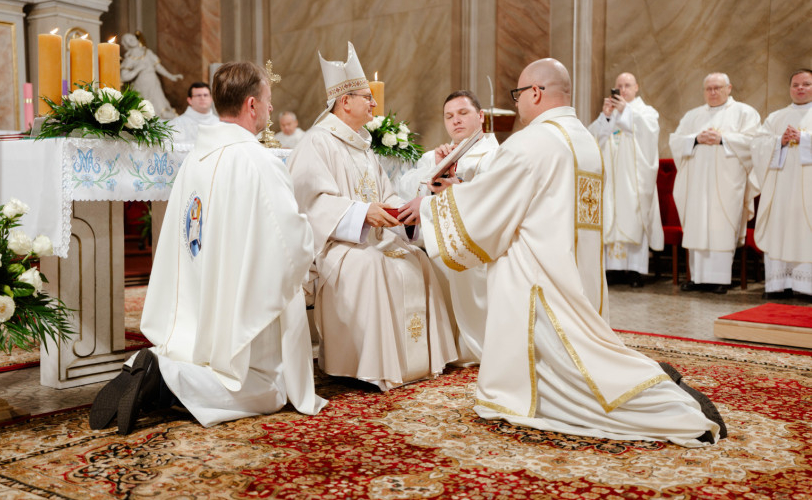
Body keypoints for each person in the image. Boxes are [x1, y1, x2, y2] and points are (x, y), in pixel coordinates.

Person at [419, 58, 724, 446]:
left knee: (566, 377)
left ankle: (663, 402)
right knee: (588, 351)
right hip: (579, 278)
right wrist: (463, 193)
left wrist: (431, 206)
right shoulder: (583, 139)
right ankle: (654, 386)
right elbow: (534, 203)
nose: (517, 103)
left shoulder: (532, 141)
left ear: (535, 93)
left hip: (539, 281)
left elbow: (489, 214)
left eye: (518, 94)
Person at [89, 61, 326, 434]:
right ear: (251, 104)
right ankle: (165, 379)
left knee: (209, 359)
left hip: (198, 302)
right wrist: (312, 257)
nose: (271, 108)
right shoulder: (258, 161)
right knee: (270, 390)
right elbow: (289, 241)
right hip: (241, 304)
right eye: (267, 99)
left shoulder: (195, 159)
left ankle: (149, 365)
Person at [287, 41, 457, 391]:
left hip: (372, 239)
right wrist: (362, 214)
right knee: (373, 265)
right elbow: (309, 203)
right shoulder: (317, 142)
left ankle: (413, 363)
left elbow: (386, 194)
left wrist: (405, 214)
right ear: (345, 101)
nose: (375, 104)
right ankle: (367, 365)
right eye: (367, 97)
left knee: (418, 260)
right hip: (338, 245)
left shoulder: (362, 146)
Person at [397, 90, 498, 364]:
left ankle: (472, 347)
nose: (456, 121)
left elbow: (494, 196)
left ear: (480, 116)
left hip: (477, 244)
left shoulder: (494, 155)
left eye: (463, 113)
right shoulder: (435, 156)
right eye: (449, 116)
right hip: (437, 241)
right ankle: (442, 347)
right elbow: (406, 188)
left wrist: (458, 186)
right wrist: (437, 167)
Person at [669, 73, 760, 294]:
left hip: (728, 183)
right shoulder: (693, 115)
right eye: (708, 88)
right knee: (698, 225)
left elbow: (755, 143)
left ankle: (721, 279)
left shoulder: (745, 113)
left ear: (729, 88)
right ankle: (697, 278)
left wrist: (723, 139)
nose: (713, 92)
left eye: (717, 88)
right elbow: (675, 140)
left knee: (721, 226)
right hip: (697, 184)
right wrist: (695, 139)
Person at [588, 73, 664, 288]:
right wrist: (606, 117)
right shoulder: (610, 112)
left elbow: (649, 135)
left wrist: (625, 112)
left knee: (633, 215)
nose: (622, 90)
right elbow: (592, 138)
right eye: (619, 86)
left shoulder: (646, 112)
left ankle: (635, 270)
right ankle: (613, 270)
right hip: (611, 180)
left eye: (627, 85)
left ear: (636, 87)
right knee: (610, 215)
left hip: (633, 180)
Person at [751, 69, 812, 298]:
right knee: (780, 227)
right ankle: (779, 285)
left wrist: (803, 139)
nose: (800, 88)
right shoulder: (776, 118)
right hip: (781, 188)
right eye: (795, 85)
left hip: (808, 188)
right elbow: (757, 145)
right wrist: (779, 141)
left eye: (806, 84)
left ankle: (806, 286)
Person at [120, 32, 183, 120]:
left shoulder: (147, 52)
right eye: (128, 39)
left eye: (132, 37)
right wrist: (137, 69)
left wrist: (171, 76)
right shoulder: (129, 58)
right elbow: (123, 77)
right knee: (145, 109)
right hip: (140, 87)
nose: (132, 40)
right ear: (126, 44)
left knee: (160, 105)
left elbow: (158, 67)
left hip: (153, 83)